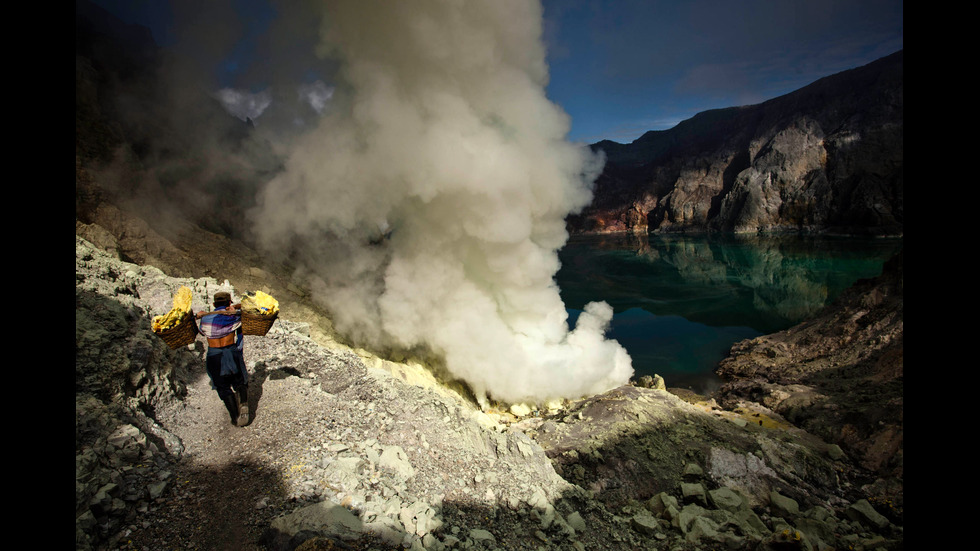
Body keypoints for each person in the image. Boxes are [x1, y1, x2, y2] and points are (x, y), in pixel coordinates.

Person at [196, 291, 249, 427]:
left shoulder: (206, 319)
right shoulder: (233, 317)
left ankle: (235, 416)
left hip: (214, 354)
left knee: (222, 386)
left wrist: (198, 315)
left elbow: (201, 331)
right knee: (239, 380)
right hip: (230, 351)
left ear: (214, 304)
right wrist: (236, 308)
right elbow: (252, 308)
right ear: (229, 303)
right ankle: (243, 404)